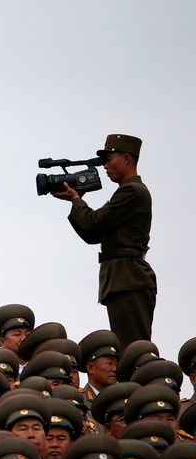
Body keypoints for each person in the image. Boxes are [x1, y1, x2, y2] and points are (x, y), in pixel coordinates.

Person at [53, 134, 156, 351]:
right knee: (126, 348)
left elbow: (94, 223)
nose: (106, 166)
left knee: (133, 350)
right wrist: (76, 202)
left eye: (110, 159)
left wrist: (76, 200)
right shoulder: (126, 192)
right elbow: (93, 235)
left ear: (126, 158)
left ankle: (140, 384)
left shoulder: (132, 191)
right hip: (122, 277)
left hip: (129, 278)